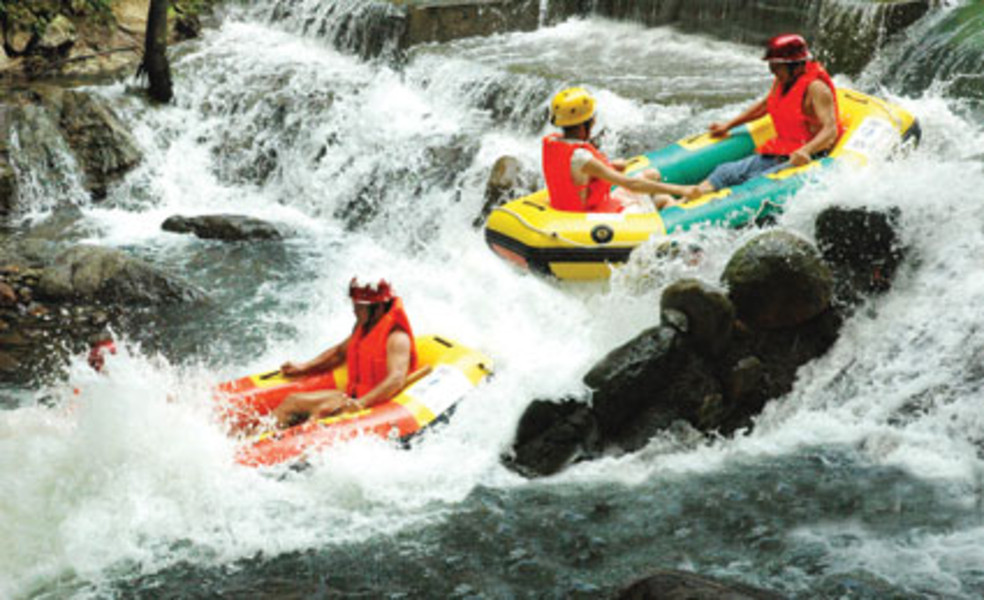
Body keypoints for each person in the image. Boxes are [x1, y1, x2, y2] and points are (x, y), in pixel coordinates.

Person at [690, 34, 843, 198]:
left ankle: (696, 202)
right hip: (782, 150)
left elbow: (830, 130)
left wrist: (806, 150)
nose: (773, 72)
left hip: (808, 156)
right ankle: (687, 199)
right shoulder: (783, 80)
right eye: (772, 67)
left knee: (755, 185)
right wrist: (728, 125)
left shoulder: (817, 88)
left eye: (777, 67)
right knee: (724, 172)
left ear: (796, 66)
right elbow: (765, 106)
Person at [271, 278, 417, 429]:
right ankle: (252, 440)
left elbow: (396, 379)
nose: (354, 310)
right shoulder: (364, 327)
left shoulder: (397, 338)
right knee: (292, 400)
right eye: (354, 304)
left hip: (377, 407)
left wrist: (361, 403)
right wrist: (305, 367)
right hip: (353, 398)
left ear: (378, 307)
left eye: (359, 306)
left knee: (319, 414)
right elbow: (339, 353)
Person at [543, 87, 697, 213]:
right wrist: (682, 190)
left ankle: (662, 203)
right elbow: (631, 184)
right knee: (663, 199)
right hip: (590, 217)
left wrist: (609, 165)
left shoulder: (554, 142)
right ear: (585, 124)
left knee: (652, 174)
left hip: (579, 207)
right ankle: (675, 209)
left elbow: (576, 173)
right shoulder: (581, 158)